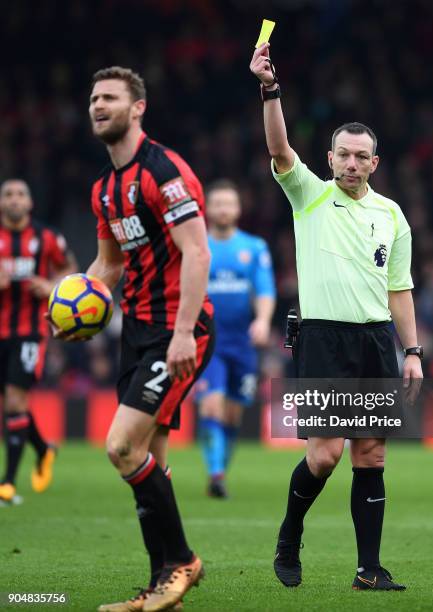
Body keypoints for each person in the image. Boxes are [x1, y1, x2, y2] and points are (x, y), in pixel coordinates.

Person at [250, 43, 424, 591]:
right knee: (324, 457)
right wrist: (270, 89)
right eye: (342, 154)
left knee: (370, 454)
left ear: (375, 162)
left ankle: (368, 570)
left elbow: (399, 289)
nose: (351, 163)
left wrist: (413, 351)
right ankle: (289, 534)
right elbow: (279, 149)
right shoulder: (309, 196)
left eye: (361, 156)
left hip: (376, 341)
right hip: (323, 339)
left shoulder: (392, 215)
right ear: (329, 159)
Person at [52, 66, 215, 612]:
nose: (98, 105)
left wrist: (185, 331)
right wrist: (69, 304)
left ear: (137, 107)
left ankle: (184, 561)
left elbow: (196, 251)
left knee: (121, 447)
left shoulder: (163, 171)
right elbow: (108, 264)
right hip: (138, 333)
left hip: (178, 329)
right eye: (93, 98)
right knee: (148, 460)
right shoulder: (102, 189)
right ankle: (158, 586)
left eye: (111, 98)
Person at [197, 179, 275, 498]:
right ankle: (216, 474)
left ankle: (220, 471)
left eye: (229, 203)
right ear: (207, 209)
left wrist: (263, 320)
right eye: (218, 203)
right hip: (207, 340)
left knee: (233, 414)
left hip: (242, 344)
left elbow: (265, 289)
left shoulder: (253, 248)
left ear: (238, 210)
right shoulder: (197, 245)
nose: (224, 209)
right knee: (211, 406)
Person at [0, 179, 77, 504]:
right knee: (12, 405)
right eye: (8, 194)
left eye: (21, 195)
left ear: (30, 203)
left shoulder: (46, 237)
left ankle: (8, 484)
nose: (15, 200)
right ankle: (44, 449)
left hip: (30, 332)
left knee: (15, 402)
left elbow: (70, 270)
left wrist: (51, 286)